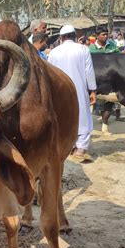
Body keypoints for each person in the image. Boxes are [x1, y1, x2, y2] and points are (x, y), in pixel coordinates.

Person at [48, 25, 97, 163]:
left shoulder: (54, 52)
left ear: (62, 37)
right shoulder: (83, 49)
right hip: (79, 89)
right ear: (74, 36)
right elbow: (89, 71)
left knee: (63, 116)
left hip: (60, 89)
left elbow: (50, 73)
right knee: (82, 116)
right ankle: (80, 149)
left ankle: (68, 146)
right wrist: (92, 90)